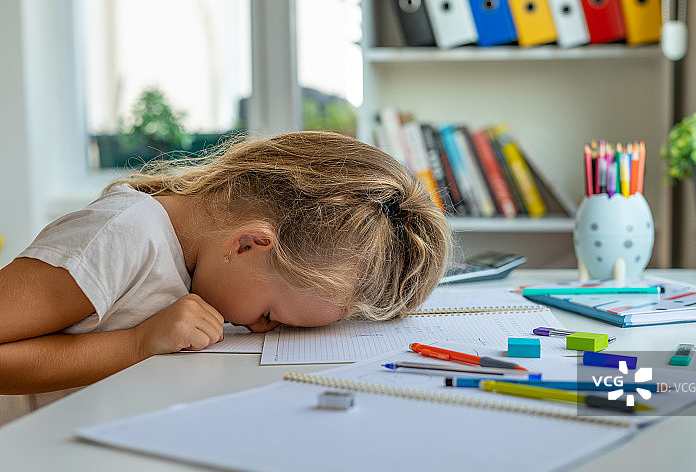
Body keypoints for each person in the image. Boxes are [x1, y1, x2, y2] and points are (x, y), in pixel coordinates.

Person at [0, 131, 452, 395]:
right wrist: (137, 344)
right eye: (268, 315)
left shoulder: (198, 265)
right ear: (246, 245)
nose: (259, 330)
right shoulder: (119, 238)